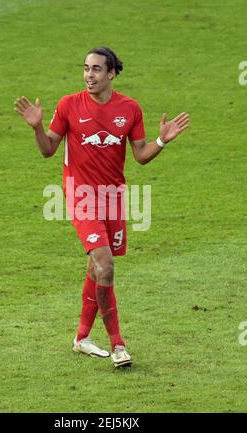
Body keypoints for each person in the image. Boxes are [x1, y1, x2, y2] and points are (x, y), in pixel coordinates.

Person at [14, 47, 189, 368]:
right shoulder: (69, 104)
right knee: (106, 265)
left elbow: (140, 154)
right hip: (80, 195)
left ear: (111, 74)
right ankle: (118, 345)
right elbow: (48, 150)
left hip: (114, 198)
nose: (88, 75)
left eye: (96, 69)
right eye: (85, 69)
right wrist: (37, 127)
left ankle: (81, 338)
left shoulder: (130, 108)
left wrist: (162, 141)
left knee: (97, 268)